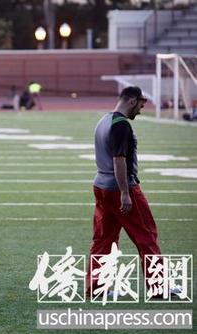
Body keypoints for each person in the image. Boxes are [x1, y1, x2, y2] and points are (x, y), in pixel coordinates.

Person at [86, 86, 162, 297]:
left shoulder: (104, 121)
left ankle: (97, 287)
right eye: (140, 104)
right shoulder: (122, 125)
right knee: (146, 236)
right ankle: (158, 288)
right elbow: (119, 159)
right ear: (131, 101)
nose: (140, 109)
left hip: (100, 185)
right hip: (119, 188)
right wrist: (125, 193)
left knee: (103, 239)